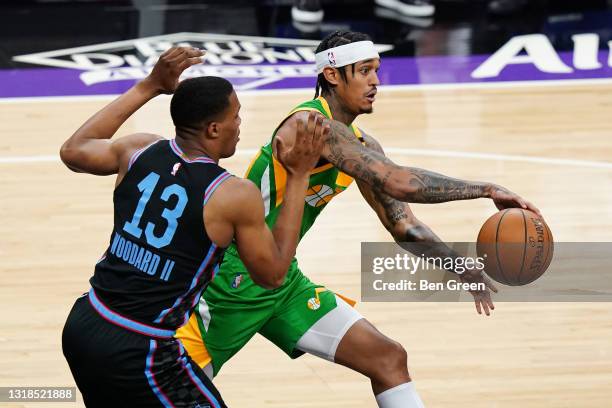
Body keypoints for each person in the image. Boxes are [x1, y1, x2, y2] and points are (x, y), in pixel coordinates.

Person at [177, 30, 540, 407]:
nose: (375, 82)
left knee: (388, 358)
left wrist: (458, 266)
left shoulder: (362, 144)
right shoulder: (307, 125)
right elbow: (398, 182)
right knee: (178, 389)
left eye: (376, 71)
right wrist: (486, 189)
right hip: (232, 280)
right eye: (364, 71)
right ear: (332, 75)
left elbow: (403, 225)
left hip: (281, 279)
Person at [60, 46, 327, 407]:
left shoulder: (138, 149)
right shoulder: (231, 193)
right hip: (141, 346)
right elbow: (273, 275)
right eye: (237, 116)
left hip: (86, 321)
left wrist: (150, 85)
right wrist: (298, 175)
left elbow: (74, 150)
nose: (239, 124)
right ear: (214, 128)